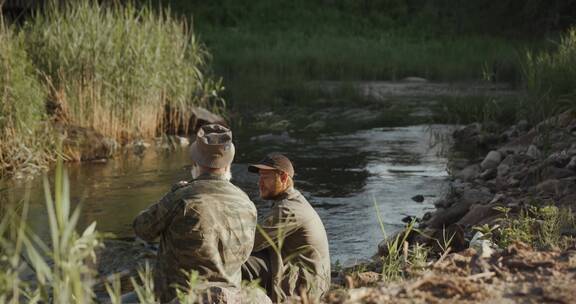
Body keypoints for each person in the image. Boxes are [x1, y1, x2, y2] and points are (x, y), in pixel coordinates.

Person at [133, 124, 257, 303]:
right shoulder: (247, 204)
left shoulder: (181, 197)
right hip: (230, 297)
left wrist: (171, 195)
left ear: (196, 163)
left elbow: (142, 229)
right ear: (228, 164)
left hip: (179, 298)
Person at [243, 153, 331, 302]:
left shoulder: (289, 210)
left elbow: (249, 242)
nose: (260, 183)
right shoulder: (289, 201)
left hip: (305, 289)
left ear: (283, 178)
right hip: (307, 279)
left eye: (265, 178)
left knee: (235, 260)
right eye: (260, 177)